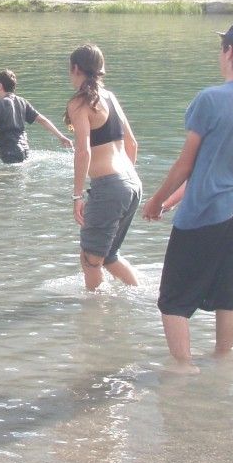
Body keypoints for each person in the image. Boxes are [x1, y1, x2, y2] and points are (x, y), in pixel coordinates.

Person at [142, 21, 233, 363]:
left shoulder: (210, 99)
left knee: (172, 300)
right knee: (226, 296)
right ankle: (224, 361)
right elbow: (219, 167)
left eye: (222, 47)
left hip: (203, 213)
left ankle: (182, 372)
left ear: (229, 52)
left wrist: (155, 200)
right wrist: (169, 202)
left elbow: (187, 165)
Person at [66, 44, 141, 291]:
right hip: (132, 183)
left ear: (76, 68)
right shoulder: (110, 97)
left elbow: (83, 150)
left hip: (111, 185)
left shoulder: (80, 103)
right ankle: (140, 295)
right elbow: (132, 143)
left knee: (90, 260)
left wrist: (78, 195)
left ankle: (96, 321)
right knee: (108, 256)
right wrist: (123, 183)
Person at [0, 69, 72, 163]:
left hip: (9, 151)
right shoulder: (22, 102)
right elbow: (43, 120)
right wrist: (61, 137)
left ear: (0, 86)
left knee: (8, 182)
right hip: (25, 150)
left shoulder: (0, 103)